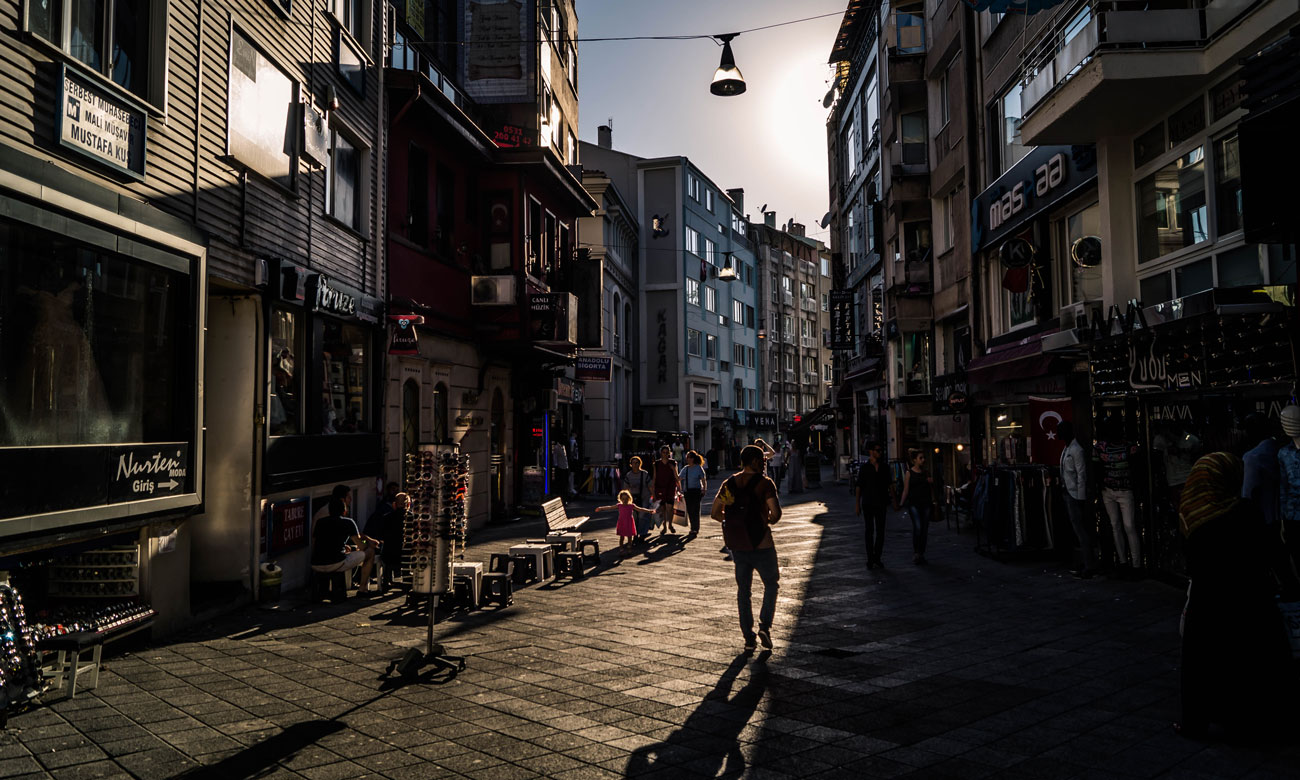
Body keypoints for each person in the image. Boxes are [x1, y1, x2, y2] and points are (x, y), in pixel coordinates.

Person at [1175, 452, 1292, 739]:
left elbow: (1191, 563)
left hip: (1209, 603)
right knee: (1253, 664)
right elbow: (1272, 552)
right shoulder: (1245, 512)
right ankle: (1256, 723)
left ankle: (1197, 723)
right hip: (1252, 602)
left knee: (1203, 664)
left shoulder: (1193, 513)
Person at [711, 445, 782, 651]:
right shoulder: (765, 483)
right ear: (752, 461)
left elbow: (715, 512)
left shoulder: (730, 483)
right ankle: (765, 626)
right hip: (762, 543)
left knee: (744, 591)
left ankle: (748, 637)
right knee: (771, 584)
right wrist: (763, 519)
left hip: (739, 544)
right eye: (761, 459)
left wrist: (734, 519)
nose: (764, 462)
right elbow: (776, 514)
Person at [1095, 420, 1142, 573]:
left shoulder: (1104, 447)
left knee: (1124, 526)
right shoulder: (1127, 447)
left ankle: (1131, 563)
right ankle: (1129, 562)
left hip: (1119, 490)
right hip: (1114, 490)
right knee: (1122, 526)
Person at [311, 497, 379, 596]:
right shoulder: (348, 522)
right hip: (336, 563)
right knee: (370, 552)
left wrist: (344, 546)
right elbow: (361, 545)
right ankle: (362, 589)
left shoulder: (320, 522)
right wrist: (368, 543)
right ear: (344, 510)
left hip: (316, 563)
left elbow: (321, 542)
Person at [1058, 421, 1098, 578]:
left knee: (1081, 530)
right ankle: (1083, 561)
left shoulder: (1076, 450)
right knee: (1077, 530)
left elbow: (1082, 475)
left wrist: (1081, 497)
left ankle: (1089, 564)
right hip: (1068, 492)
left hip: (1075, 495)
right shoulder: (1067, 448)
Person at [855, 441, 892, 569]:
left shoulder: (885, 467)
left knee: (881, 531)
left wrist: (895, 502)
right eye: (877, 450)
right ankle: (870, 558)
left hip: (881, 502)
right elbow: (859, 486)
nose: (880, 453)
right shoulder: (865, 468)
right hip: (868, 503)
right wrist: (857, 504)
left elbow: (890, 484)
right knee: (869, 531)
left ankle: (877, 557)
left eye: (881, 450)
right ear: (871, 452)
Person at [897, 448, 934, 565]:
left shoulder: (926, 472)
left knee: (924, 529)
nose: (923, 460)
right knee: (918, 527)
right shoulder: (909, 473)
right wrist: (901, 503)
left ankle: (921, 553)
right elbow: (906, 490)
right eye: (920, 458)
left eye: (923, 458)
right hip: (914, 504)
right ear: (914, 460)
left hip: (926, 503)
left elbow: (932, 489)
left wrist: (931, 483)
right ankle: (916, 552)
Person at [366, 490, 408, 592]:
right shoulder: (412, 517)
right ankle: (407, 582)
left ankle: (386, 581)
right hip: (406, 556)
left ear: (394, 504)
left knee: (387, 553)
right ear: (408, 504)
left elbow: (381, 537)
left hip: (389, 555)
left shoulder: (386, 517)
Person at [595, 490, 657, 557]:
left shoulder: (632, 506)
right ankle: (621, 548)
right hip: (622, 523)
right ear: (620, 499)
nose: (625, 500)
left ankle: (629, 547)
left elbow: (640, 509)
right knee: (622, 537)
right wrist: (601, 508)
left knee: (630, 537)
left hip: (629, 523)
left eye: (626, 499)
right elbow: (610, 507)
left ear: (629, 498)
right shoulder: (619, 505)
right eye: (623, 499)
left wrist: (649, 511)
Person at [621, 456, 654, 541]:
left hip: (644, 497)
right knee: (634, 517)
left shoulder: (644, 474)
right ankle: (635, 533)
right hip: (632, 498)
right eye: (633, 463)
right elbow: (625, 488)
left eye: (637, 463)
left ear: (640, 464)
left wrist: (654, 496)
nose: (635, 465)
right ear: (631, 464)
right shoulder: (629, 475)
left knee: (643, 515)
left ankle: (642, 533)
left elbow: (650, 486)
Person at [652, 445, 681, 534]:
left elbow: (677, 477)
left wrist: (673, 469)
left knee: (670, 507)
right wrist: (652, 491)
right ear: (661, 453)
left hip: (670, 487)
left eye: (666, 452)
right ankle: (664, 526)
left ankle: (670, 524)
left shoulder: (673, 462)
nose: (665, 454)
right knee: (663, 507)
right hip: (660, 487)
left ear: (669, 453)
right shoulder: (656, 464)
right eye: (663, 452)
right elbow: (654, 477)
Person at [680, 450, 708, 539]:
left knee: (695, 509)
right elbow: (679, 478)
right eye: (687, 457)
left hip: (696, 491)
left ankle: (695, 528)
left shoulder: (698, 468)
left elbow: (703, 479)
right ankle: (693, 527)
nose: (687, 459)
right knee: (690, 510)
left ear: (693, 459)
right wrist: (673, 469)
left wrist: (704, 489)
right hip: (687, 491)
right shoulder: (685, 468)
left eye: (689, 457)